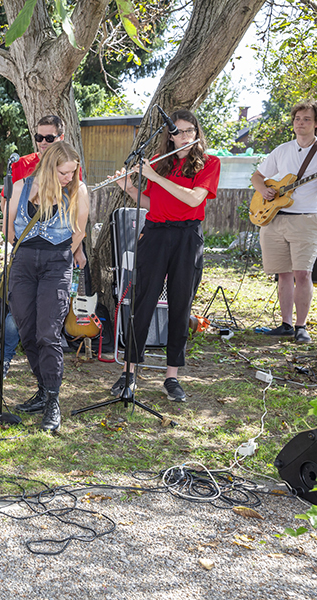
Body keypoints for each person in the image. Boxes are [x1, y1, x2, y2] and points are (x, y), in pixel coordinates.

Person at [109, 109, 221, 402]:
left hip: (187, 236)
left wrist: (154, 178)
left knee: (180, 305)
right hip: (156, 234)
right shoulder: (162, 164)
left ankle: (171, 376)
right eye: (177, 132)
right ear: (169, 136)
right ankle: (130, 371)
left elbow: (193, 198)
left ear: (196, 133)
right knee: (142, 302)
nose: (182, 137)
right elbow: (152, 202)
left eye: (188, 131)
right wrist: (130, 187)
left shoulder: (209, 163)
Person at [3, 141, 90, 432]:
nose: (69, 178)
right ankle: (42, 390)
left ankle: (53, 401)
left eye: (72, 172)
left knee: (48, 332)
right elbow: (9, 226)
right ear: (51, 167)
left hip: (57, 263)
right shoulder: (21, 186)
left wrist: (61, 254)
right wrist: (25, 251)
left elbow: (79, 232)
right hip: (24, 262)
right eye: (64, 172)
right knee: (27, 331)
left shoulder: (78, 190)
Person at [0, 115, 73, 384]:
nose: (42, 142)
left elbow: (74, 217)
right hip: (25, 252)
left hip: (55, 254)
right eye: (38, 137)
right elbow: (10, 211)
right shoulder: (22, 166)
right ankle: (6, 359)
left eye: (48, 138)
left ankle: (50, 392)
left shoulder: (68, 164)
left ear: (60, 138)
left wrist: (68, 252)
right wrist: (16, 243)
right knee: (21, 318)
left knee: (47, 328)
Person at [251, 99, 317, 343]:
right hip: (275, 219)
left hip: (306, 219)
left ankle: (302, 327)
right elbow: (257, 176)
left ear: (315, 123)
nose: (300, 123)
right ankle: (286, 324)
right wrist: (265, 191)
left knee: (303, 273)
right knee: (283, 274)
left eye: (306, 119)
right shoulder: (282, 149)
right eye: (297, 119)